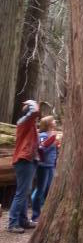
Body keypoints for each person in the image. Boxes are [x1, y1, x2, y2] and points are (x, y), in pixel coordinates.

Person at [7, 99, 40, 233]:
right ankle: (12, 223)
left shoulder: (30, 125)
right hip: (24, 160)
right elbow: (34, 111)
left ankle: (23, 220)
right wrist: (31, 102)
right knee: (21, 193)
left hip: (29, 160)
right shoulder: (24, 122)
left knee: (25, 192)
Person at [31, 115, 58, 222]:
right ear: (48, 123)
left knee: (49, 190)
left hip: (51, 166)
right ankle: (35, 216)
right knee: (40, 190)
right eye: (53, 120)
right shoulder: (43, 135)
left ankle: (46, 214)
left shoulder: (52, 134)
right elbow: (41, 149)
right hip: (43, 166)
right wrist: (52, 140)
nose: (55, 121)